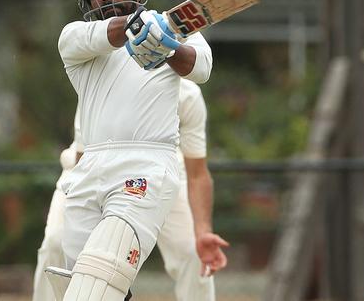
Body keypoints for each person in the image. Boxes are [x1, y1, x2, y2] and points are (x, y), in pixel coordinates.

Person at [53, 0, 227, 300]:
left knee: (99, 278)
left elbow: (201, 68)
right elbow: (110, 34)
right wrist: (138, 28)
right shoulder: (75, 39)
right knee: (84, 283)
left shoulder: (177, 30)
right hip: (89, 170)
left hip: (146, 166)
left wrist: (169, 46)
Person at [32, 79, 224, 301]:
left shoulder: (187, 95)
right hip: (89, 169)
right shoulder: (99, 82)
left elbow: (197, 172)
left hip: (161, 174)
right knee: (57, 241)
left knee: (193, 252)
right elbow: (83, 159)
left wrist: (203, 231)